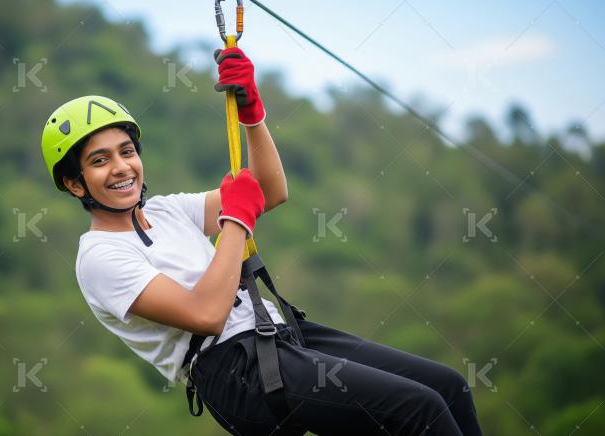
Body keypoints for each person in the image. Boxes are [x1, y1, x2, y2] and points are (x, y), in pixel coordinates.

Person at [40, 48, 483, 435]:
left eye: (127, 151)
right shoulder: (99, 257)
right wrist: (235, 219)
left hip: (277, 333)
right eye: (100, 161)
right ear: (75, 184)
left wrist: (252, 114)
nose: (121, 167)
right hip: (235, 370)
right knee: (418, 410)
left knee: (448, 387)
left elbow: (270, 191)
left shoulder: (166, 211)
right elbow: (207, 315)